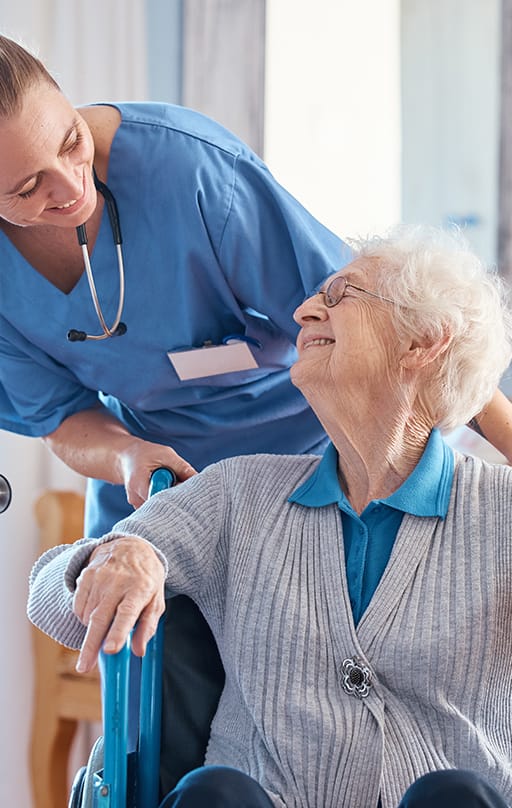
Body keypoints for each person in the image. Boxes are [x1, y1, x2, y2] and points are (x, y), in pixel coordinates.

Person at [1, 33, 511, 786]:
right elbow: (59, 537)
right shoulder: (233, 500)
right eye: (25, 188)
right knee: (169, 710)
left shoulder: (186, 171)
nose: (68, 187)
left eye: (71, 142)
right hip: (169, 481)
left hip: (317, 452)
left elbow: (390, 325)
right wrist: (126, 496)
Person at [29, 224, 512, 807]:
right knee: (217, 794)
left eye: (340, 296)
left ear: (422, 342)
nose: (305, 310)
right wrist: (114, 556)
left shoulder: (501, 511)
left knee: (455, 796)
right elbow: (48, 592)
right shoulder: (241, 493)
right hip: (254, 798)